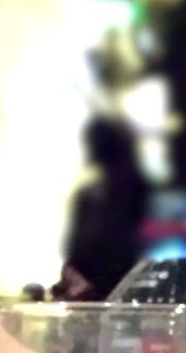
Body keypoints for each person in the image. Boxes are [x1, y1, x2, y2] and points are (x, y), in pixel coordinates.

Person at [55, 115, 151, 301]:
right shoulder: (88, 197)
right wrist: (76, 282)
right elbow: (74, 257)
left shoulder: (144, 196)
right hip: (92, 304)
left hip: (131, 304)